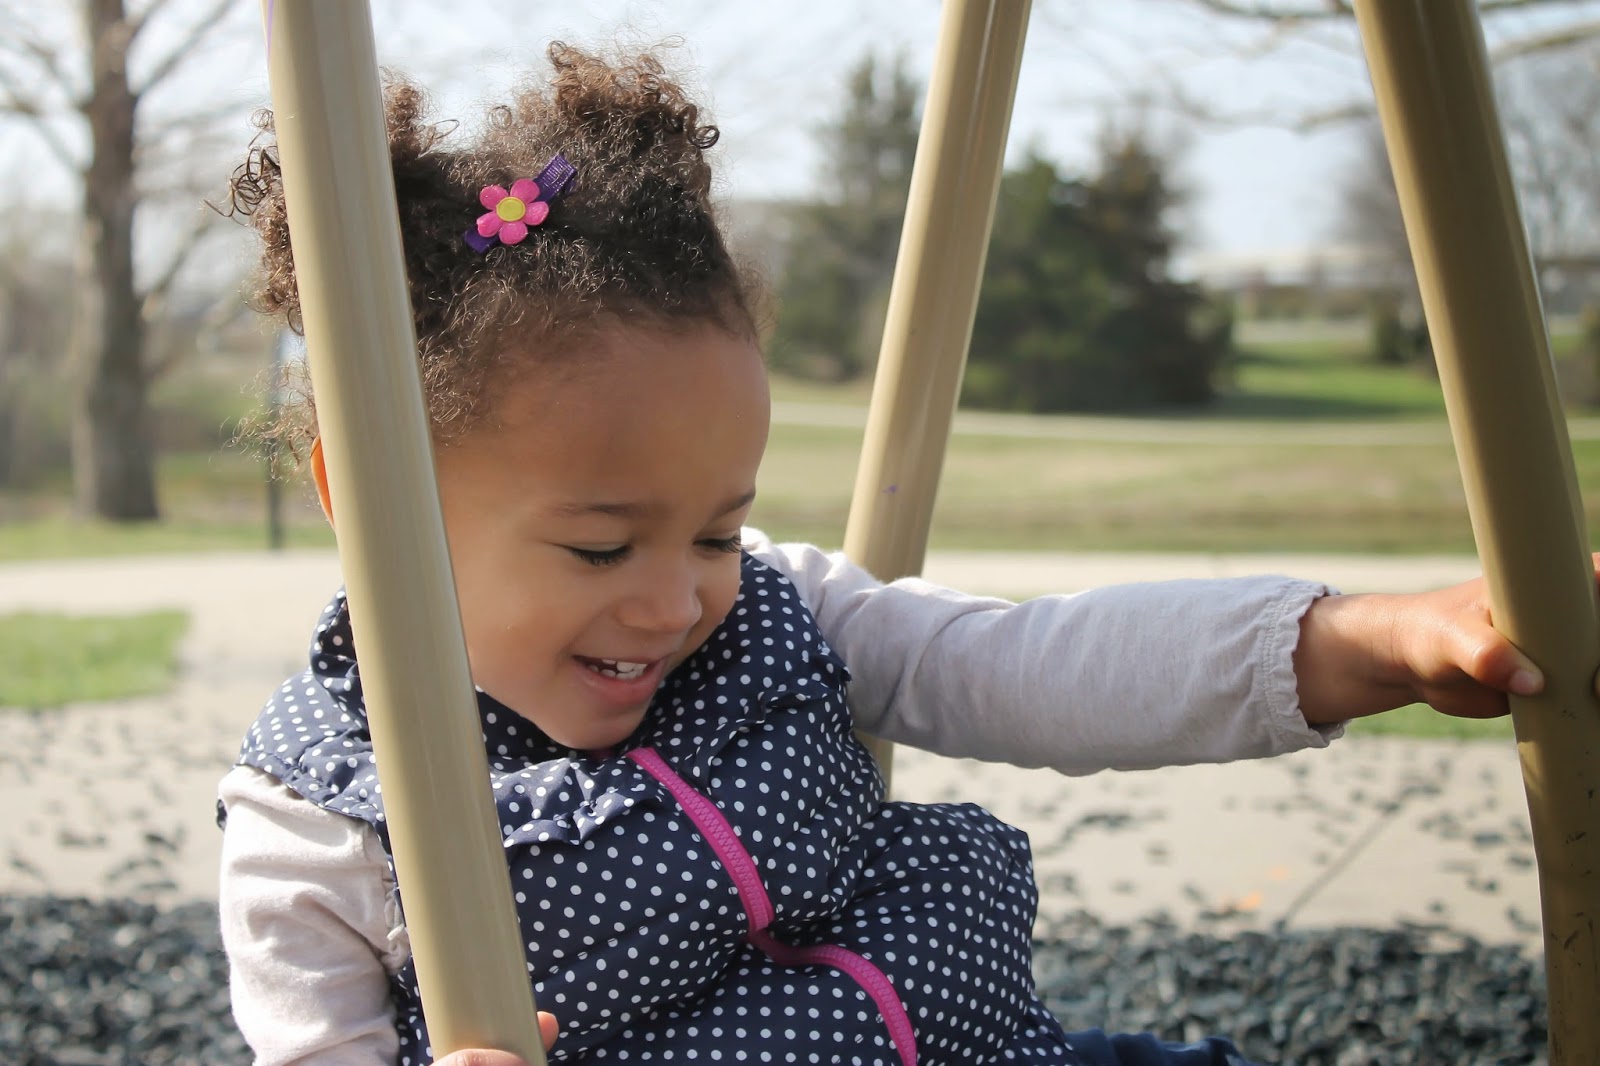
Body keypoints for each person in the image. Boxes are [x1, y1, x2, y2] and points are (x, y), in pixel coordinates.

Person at [216, 42, 1549, 1066]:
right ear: (363, 495)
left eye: (717, 528)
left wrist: (1354, 641)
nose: (677, 599)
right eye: (601, 545)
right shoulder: (321, 822)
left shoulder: (776, 614)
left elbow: (1029, 664)